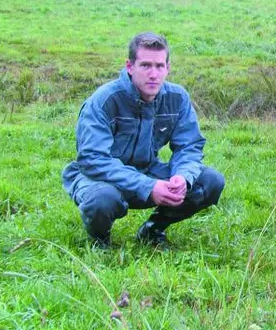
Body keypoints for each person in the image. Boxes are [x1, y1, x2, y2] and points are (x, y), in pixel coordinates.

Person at [62, 32, 225, 248]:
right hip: (100, 178)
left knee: (210, 181)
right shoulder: (104, 101)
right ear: (130, 67)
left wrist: (182, 177)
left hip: (148, 171)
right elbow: (92, 160)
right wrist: (148, 186)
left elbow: (189, 146)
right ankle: (100, 241)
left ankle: (152, 230)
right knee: (101, 199)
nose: (153, 74)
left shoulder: (178, 98)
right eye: (146, 65)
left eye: (159, 66)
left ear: (168, 68)